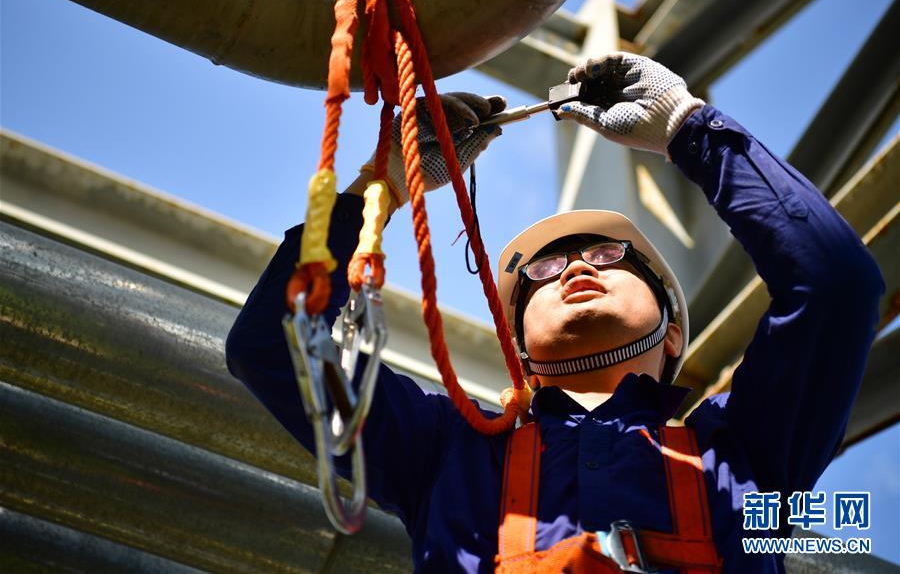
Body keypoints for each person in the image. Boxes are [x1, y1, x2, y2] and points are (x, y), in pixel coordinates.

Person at [226, 53, 884, 573]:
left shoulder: (742, 453)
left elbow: (836, 283)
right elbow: (271, 345)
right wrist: (386, 185)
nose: (575, 266)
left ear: (673, 328)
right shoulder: (443, 449)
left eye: (609, 254)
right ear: (519, 349)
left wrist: (688, 126)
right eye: (542, 269)